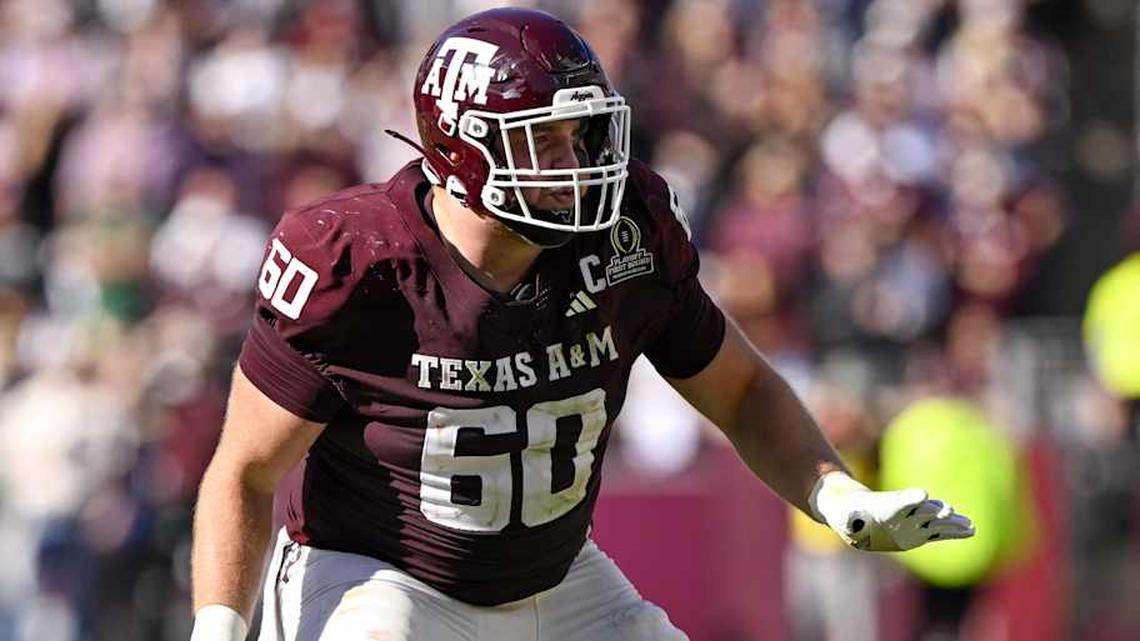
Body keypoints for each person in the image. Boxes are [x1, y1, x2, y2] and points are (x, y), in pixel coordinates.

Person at [189, 8, 974, 641]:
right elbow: (246, 471)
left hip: (558, 579)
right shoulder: (357, 263)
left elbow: (738, 389)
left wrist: (835, 496)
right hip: (383, 578)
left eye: (582, 136)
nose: (577, 166)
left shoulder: (624, 232)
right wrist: (220, 626)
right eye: (547, 141)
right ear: (465, 151)